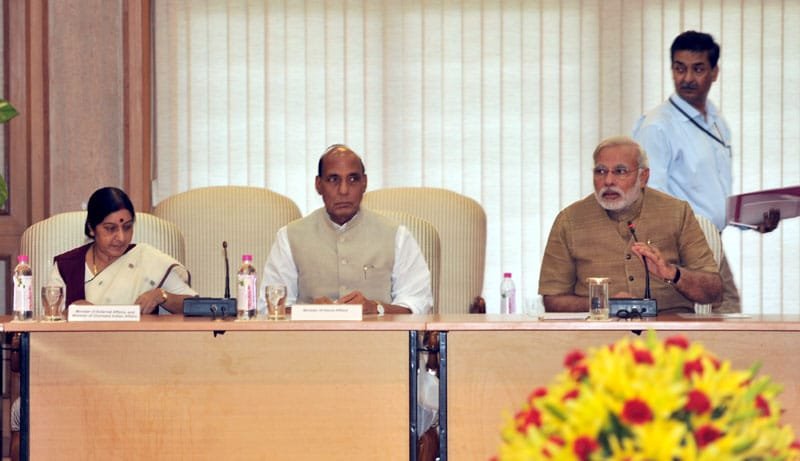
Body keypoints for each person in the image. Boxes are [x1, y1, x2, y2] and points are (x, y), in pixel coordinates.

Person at [632, 31, 777, 312]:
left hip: (711, 244)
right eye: (679, 68)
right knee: (719, 324)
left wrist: (751, 221)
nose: (686, 78)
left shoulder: (716, 121)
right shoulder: (657, 126)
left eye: (697, 68)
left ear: (714, 72)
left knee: (727, 324)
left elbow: (708, 195)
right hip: (680, 247)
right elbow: (651, 197)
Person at [538, 136, 722, 313]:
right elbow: (553, 299)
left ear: (643, 177)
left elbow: (714, 291)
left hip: (666, 330)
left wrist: (672, 273)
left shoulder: (677, 212)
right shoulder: (570, 220)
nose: (608, 181)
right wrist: (604, 304)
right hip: (596, 333)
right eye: (600, 171)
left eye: (620, 171)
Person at [261, 144, 433, 314]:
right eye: (333, 180)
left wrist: (377, 308)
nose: (343, 190)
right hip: (310, 340)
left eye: (352, 179)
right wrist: (309, 311)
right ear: (318, 185)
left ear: (364, 184)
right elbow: (268, 307)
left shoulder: (397, 236)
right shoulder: (289, 237)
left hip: (379, 340)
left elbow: (418, 303)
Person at [49, 187, 197, 314]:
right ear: (91, 228)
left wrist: (162, 295)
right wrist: (69, 314)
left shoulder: (146, 259)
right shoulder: (67, 266)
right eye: (110, 229)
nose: (121, 237)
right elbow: (49, 318)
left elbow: (196, 305)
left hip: (139, 345)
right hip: (80, 346)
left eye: (127, 227)